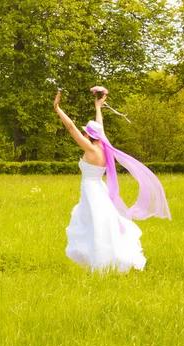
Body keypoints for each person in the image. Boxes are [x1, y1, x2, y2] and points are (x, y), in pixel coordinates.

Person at [53, 90, 171, 272]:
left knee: (96, 226)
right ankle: (100, 260)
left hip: (92, 191)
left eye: (85, 133)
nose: (83, 135)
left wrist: (58, 109)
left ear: (89, 137)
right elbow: (100, 126)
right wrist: (98, 108)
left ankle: (102, 263)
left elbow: (70, 128)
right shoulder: (103, 147)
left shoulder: (91, 150)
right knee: (98, 224)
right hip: (97, 189)